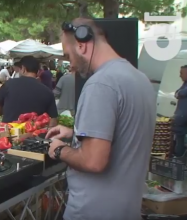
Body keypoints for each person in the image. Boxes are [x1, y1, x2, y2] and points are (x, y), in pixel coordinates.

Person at [46, 18, 156, 220]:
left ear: (82, 45)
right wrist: (76, 134)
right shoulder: (140, 78)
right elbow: (126, 135)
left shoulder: (101, 84)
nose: (70, 65)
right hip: (127, 210)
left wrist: (59, 149)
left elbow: (93, 161)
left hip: (93, 212)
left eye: (68, 55)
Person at [0, 56, 58, 125]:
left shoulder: (8, 84)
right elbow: (53, 120)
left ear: (23, 69)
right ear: (38, 72)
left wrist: (9, 110)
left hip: (10, 133)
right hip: (35, 133)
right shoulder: (48, 91)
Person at [171, 65, 187, 157]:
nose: (180, 75)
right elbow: (177, 93)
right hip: (181, 119)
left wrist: (180, 93)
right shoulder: (185, 83)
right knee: (178, 140)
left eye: (182, 73)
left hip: (182, 119)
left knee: (180, 141)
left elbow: (180, 93)